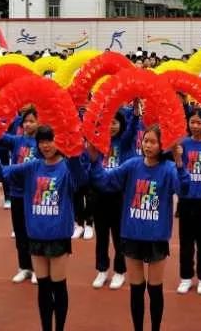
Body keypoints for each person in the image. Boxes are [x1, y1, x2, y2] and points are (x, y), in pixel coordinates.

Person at [0, 125, 89, 331]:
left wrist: (75, 152)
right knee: (43, 287)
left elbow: (81, 180)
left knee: (58, 286)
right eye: (42, 141)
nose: (46, 145)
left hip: (58, 236)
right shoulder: (32, 167)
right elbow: (1, 174)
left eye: (50, 140)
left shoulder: (68, 168)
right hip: (36, 236)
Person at [89, 126, 188, 331]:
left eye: (153, 142)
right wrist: (94, 160)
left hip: (156, 237)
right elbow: (105, 182)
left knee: (154, 288)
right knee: (136, 289)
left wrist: (180, 164)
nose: (148, 145)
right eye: (145, 141)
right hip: (132, 234)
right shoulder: (132, 165)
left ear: (163, 146)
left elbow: (183, 189)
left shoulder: (168, 169)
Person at [91, 110, 138, 291]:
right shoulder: (98, 143)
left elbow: (133, 128)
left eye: (115, 123)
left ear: (121, 124)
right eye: (108, 123)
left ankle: (120, 271)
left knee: (119, 236)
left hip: (119, 195)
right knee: (101, 235)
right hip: (99, 194)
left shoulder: (124, 143)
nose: (111, 126)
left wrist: (135, 114)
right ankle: (102, 270)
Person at [0, 107, 40, 284]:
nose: (28, 124)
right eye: (26, 121)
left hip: (35, 194)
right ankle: (24, 267)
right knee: (20, 231)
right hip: (17, 192)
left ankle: (38, 267)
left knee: (34, 232)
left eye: (32, 121)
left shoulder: (43, 142)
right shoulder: (17, 140)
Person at [177, 109, 201, 295]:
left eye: (199, 122)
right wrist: (176, 154)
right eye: (192, 122)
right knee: (185, 241)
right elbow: (178, 167)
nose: (195, 126)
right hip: (185, 199)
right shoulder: (183, 143)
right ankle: (185, 277)